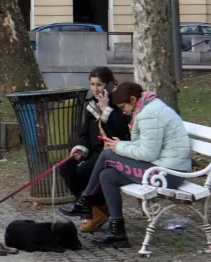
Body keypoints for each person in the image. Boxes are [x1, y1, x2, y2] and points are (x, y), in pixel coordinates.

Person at [71, 82, 192, 246]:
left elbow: (148, 153)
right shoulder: (148, 108)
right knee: (107, 176)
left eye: (123, 106)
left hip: (169, 174)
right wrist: (121, 144)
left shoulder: (149, 115)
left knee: (107, 155)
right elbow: (145, 146)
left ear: (133, 99)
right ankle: (118, 234)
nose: (122, 110)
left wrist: (119, 147)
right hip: (161, 167)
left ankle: (85, 200)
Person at [58, 66, 131, 228]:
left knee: (85, 170)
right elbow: (84, 134)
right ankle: (94, 209)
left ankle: (94, 210)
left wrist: (106, 110)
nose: (95, 89)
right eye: (92, 84)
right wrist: (79, 149)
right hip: (94, 152)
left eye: (99, 85)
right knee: (66, 167)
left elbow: (121, 131)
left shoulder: (119, 102)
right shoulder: (91, 105)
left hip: (113, 152)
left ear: (109, 84)